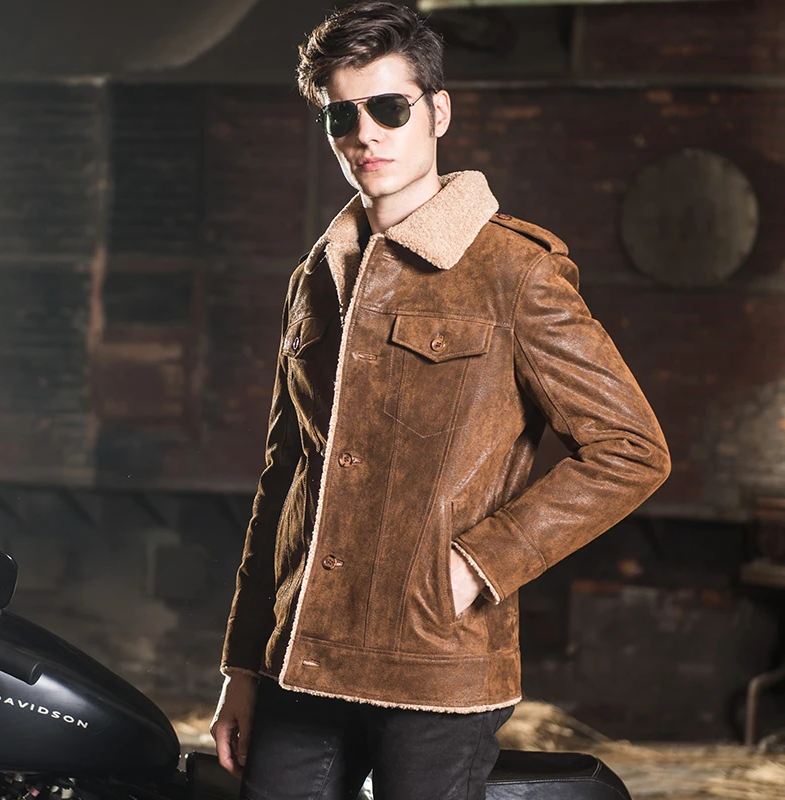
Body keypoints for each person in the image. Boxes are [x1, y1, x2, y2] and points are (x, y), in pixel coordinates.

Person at [210, 2, 671, 798]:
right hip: (302, 658)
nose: (366, 134)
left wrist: (479, 563)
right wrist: (242, 666)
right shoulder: (315, 279)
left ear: (438, 112)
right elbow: (282, 480)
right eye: (342, 116)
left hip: (436, 666)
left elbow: (632, 450)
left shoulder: (513, 271)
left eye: (390, 107)